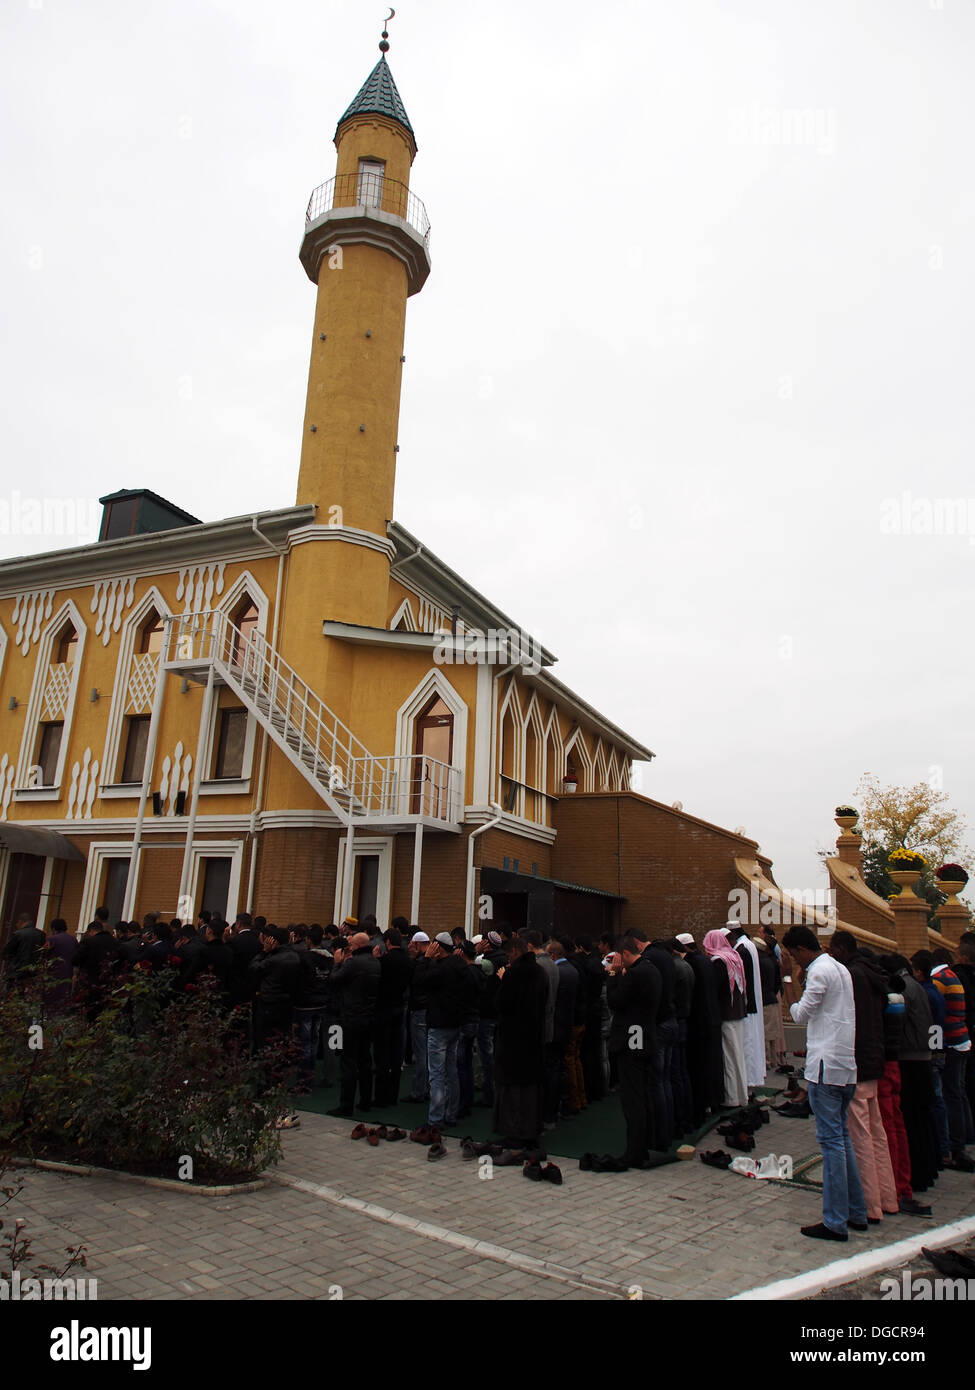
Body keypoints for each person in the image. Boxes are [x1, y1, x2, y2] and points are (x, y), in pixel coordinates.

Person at [783, 925, 866, 1242]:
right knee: (842, 1140)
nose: (794, 960)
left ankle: (834, 1221)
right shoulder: (841, 969)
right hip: (845, 1065)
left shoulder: (819, 972)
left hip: (824, 1066)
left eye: (794, 955)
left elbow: (801, 1015)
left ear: (802, 950)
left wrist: (789, 981)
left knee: (832, 1145)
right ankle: (856, 1212)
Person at [829, 932, 899, 1225]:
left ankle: (870, 1205)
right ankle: (888, 1197)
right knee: (876, 1132)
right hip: (875, 1059)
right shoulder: (875, 975)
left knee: (859, 1136)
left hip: (856, 1062)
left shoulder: (851, 976)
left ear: (842, 949)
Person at [607, 933, 661, 1166]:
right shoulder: (652, 970)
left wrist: (613, 975)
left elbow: (615, 1001)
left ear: (626, 954)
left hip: (630, 1040)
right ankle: (645, 1143)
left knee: (632, 1098)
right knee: (643, 1093)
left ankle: (635, 1151)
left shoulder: (635, 974)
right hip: (645, 1036)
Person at [492, 933, 548, 1148]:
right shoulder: (540, 972)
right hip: (534, 1039)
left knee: (512, 1091)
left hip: (513, 1042)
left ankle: (514, 1133)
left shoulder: (515, 974)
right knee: (530, 1090)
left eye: (509, 954)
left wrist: (503, 980)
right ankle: (530, 1131)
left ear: (515, 951)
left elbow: (502, 1004)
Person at [423, 932, 472, 1133]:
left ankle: (435, 1119)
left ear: (438, 948)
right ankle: (451, 1113)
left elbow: (420, 981)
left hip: (439, 1025)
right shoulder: (462, 967)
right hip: (455, 1025)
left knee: (436, 1073)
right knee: (452, 1070)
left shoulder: (440, 969)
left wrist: (426, 960)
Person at [326, 931, 380, 1117]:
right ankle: (365, 1100)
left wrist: (337, 964)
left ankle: (346, 1105)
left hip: (351, 1017)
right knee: (365, 1060)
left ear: (356, 946)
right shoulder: (375, 962)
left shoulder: (354, 963)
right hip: (369, 1017)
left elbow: (334, 980)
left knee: (348, 1062)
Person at [703, 929, 748, 1109]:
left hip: (726, 1015)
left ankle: (731, 1098)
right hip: (737, 1012)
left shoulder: (719, 962)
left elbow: (716, 990)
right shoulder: (734, 956)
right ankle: (742, 1094)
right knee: (738, 1055)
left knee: (729, 1057)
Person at [373, 927, 411, 1106]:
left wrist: (375, 960)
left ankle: (381, 1096)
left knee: (382, 1053)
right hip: (400, 1008)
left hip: (383, 1009)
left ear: (387, 942)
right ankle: (393, 1095)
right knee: (396, 1053)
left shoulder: (383, 962)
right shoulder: (408, 961)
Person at [728, 923, 766, 1091]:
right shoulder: (749, 945)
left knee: (748, 1042)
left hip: (747, 1003)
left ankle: (749, 1082)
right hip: (753, 1001)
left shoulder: (742, 949)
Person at [402, 931, 431, 1103]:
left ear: (418, 945)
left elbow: (415, 981)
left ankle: (419, 1091)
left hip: (420, 1010)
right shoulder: (433, 961)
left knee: (421, 1053)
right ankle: (427, 1088)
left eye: (412, 945)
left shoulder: (420, 963)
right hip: (429, 1010)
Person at [1, 912, 46, 986]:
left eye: (17, 922)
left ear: (21, 922)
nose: (16, 925)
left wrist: (11, 960)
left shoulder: (17, 934)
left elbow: (5, 952)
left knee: (14, 994)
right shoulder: (41, 934)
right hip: (33, 972)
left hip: (17, 972)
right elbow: (43, 952)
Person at [43, 918, 78, 1011]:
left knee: (50, 1000)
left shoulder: (51, 939)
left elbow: (43, 954)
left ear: (54, 929)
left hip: (53, 974)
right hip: (68, 973)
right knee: (64, 999)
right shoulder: (73, 939)